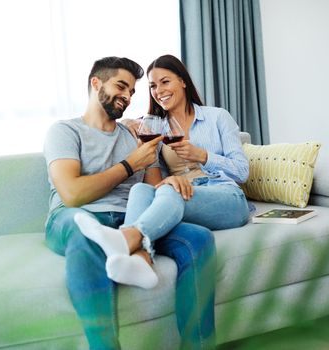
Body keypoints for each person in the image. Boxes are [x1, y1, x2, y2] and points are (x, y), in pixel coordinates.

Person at [44, 56, 216, 349]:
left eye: (132, 91)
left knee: (198, 238)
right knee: (82, 230)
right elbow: (72, 194)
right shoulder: (66, 131)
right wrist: (128, 164)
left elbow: (151, 189)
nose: (127, 96)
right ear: (95, 83)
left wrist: (168, 183)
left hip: (130, 220)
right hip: (79, 215)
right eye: (121, 86)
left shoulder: (133, 135)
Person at [123, 54, 251, 231]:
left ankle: (128, 239)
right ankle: (128, 249)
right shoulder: (155, 127)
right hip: (181, 194)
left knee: (169, 192)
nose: (158, 91)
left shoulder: (218, 117)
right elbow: (155, 184)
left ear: (183, 81)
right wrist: (127, 124)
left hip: (224, 194)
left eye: (165, 82)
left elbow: (242, 172)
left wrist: (202, 156)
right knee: (139, 190)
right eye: (153, 86)